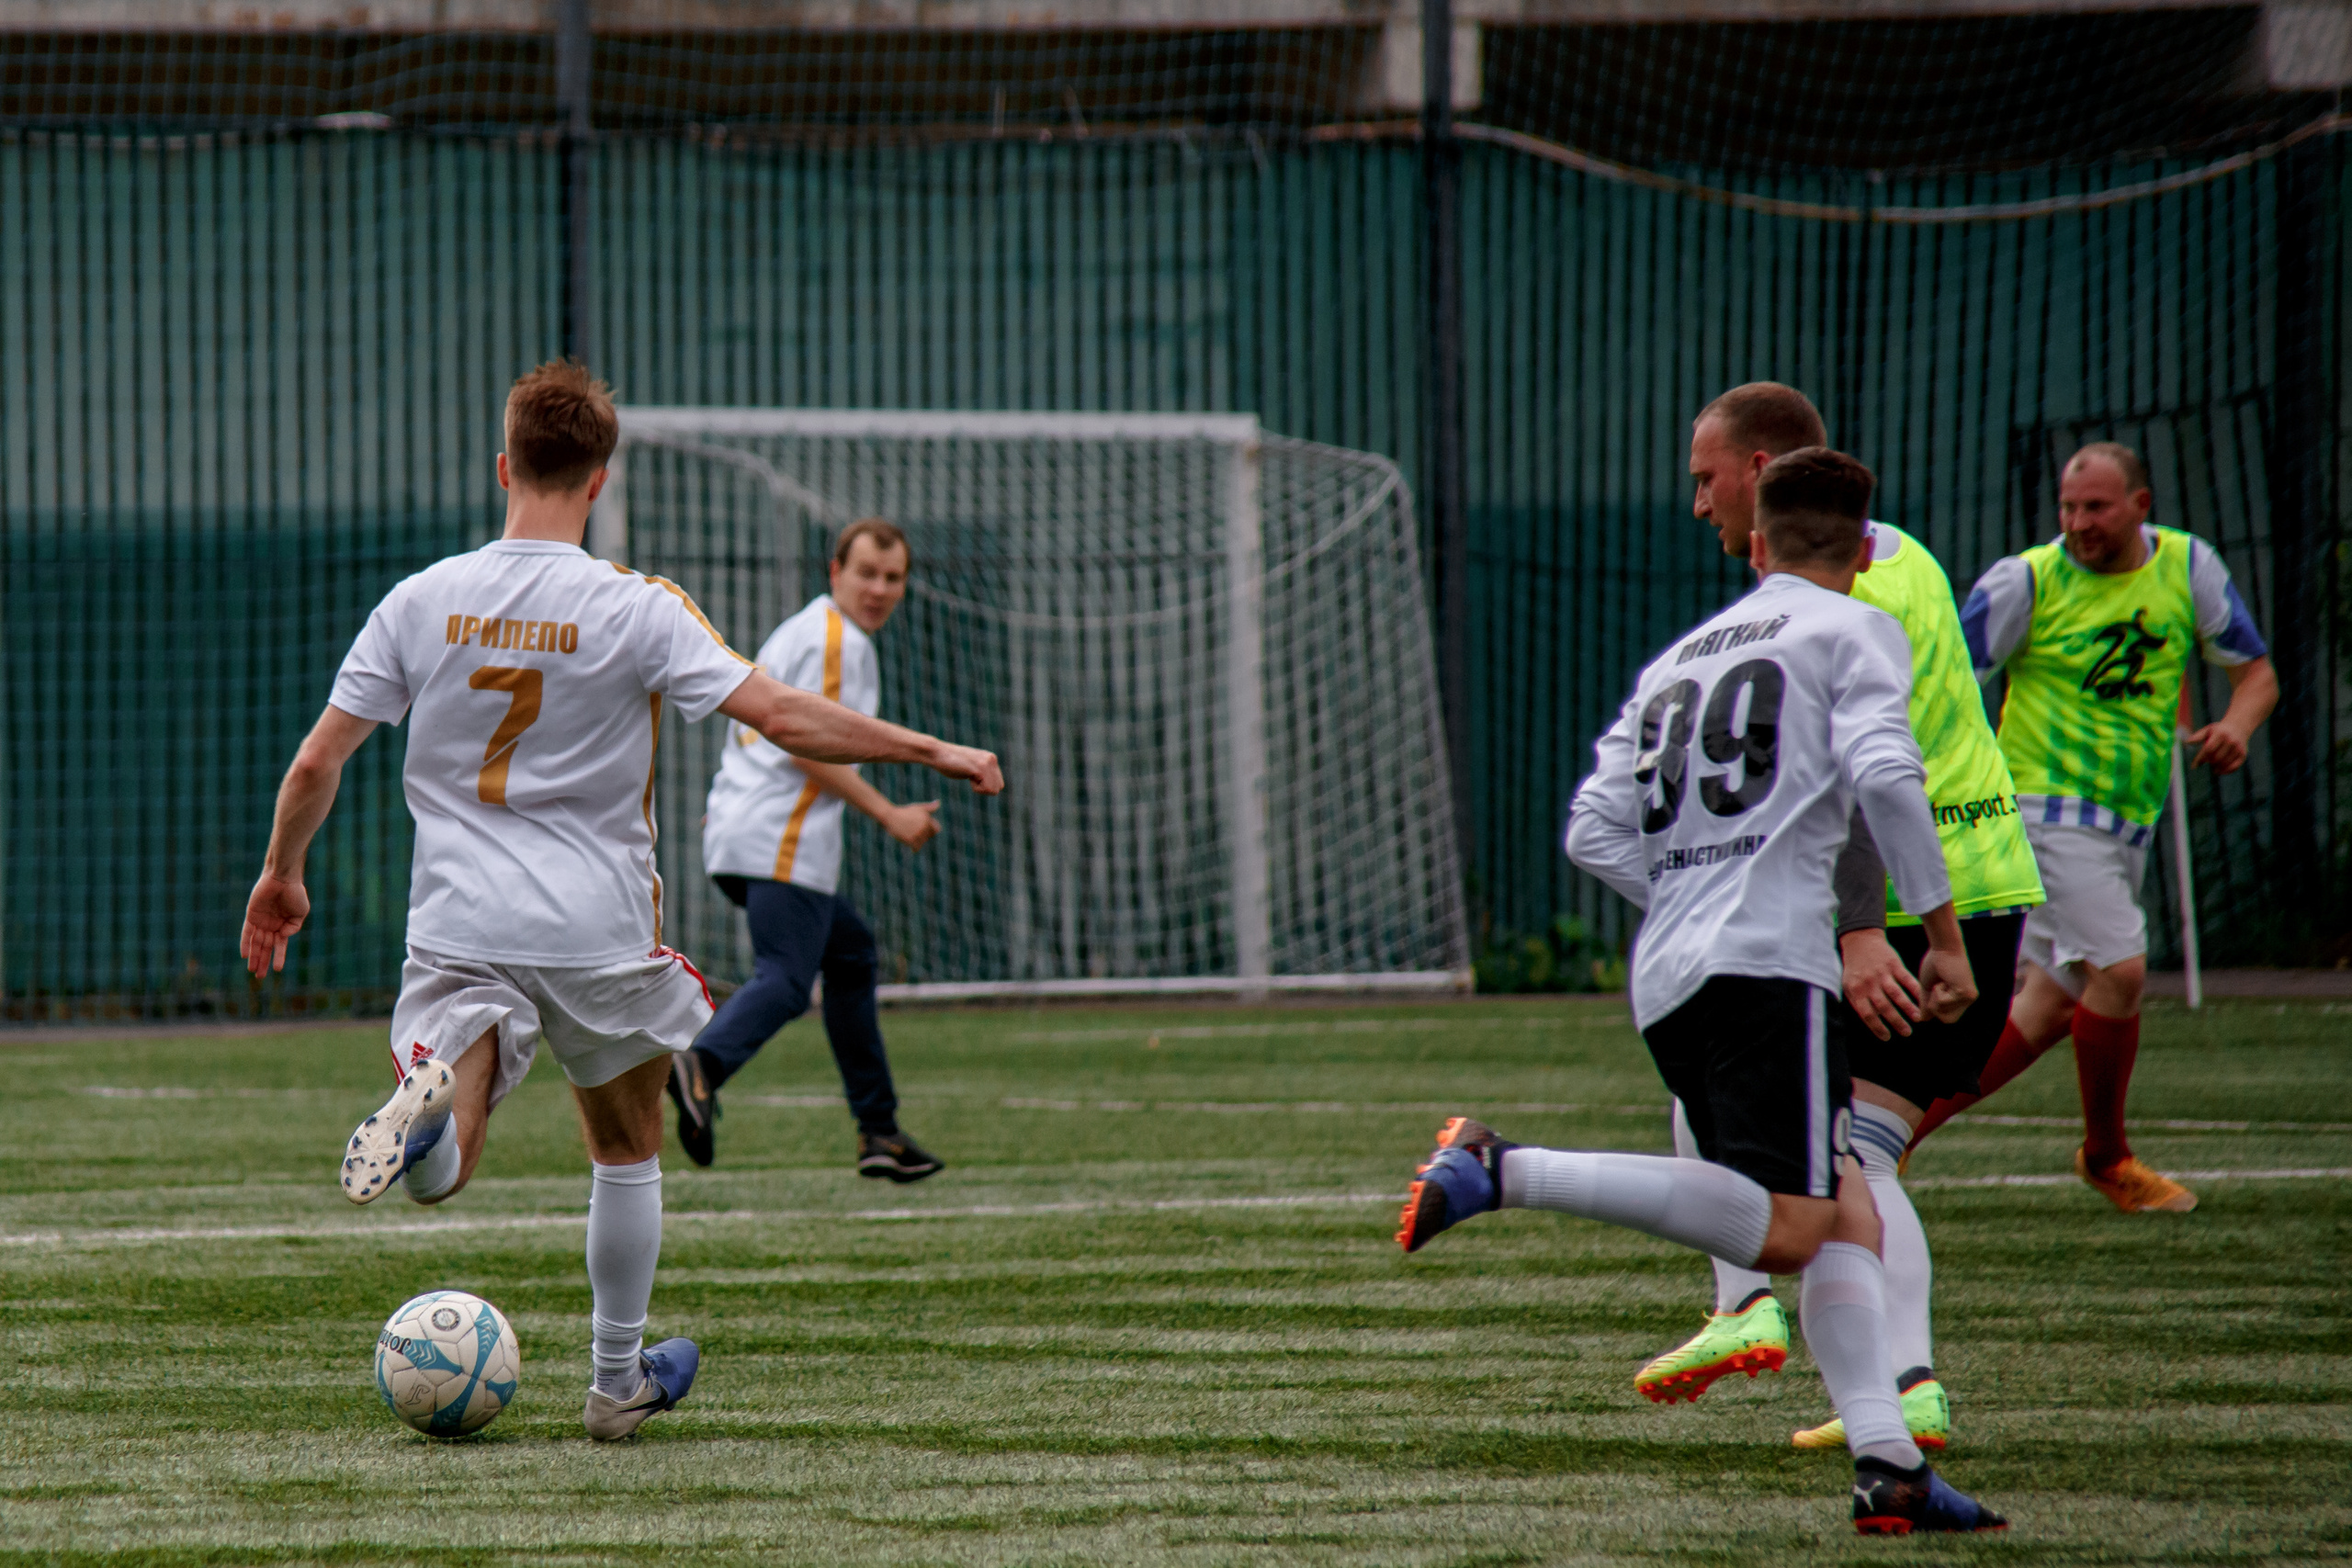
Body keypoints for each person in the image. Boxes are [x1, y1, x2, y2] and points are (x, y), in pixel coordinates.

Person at [239, 362, 1002, 1441]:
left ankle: (430, 1134)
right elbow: (784, 714)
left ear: (504, 465)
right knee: (626, 1143)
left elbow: (317, 763)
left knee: (459, 1130)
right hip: (593, 928)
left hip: (460, 923)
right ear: (598, 479)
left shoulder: (420, 598)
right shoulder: (635, 606)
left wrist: (282, 876)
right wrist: (932, 749)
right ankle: (613, 1384)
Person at [1400, 447, 2006, 1535]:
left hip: (1672, 970)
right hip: (1767, 963)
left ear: (1759, 540)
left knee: (1846, 1213)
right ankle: (1505, 1169)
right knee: (1793, 1227)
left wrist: (1689, 890)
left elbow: (1594, 825)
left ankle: (1890, 1467)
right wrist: (1942, 937)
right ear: (1866, 551)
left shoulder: (1680, 656)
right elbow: (1885, 776)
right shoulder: (1856, 625)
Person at [1636, 383, 2045, 1455]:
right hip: (1926, 897)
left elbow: (1875, 777)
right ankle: (1751, 1313)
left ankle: (1895, 1380)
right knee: (1741, 1102)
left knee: (1849, 1149)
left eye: (1705, 477)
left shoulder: (1865, 591)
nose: (1699, 503)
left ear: (1762, 470)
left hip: (1923, 903)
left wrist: (1868, 931)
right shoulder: (1863, 570)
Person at [1904, 442, 2278, 1212]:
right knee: (2122, 970)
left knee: (2044, 1010)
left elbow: (2256, 674)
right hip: (2042, 811)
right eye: (2069, 509)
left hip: (2126, 822)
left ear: (2141, 505)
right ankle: (2108, 1154)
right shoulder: (2027, 580)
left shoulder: (2188, 567)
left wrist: (2237, 726)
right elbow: (1948, 681)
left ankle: (1888, 1134)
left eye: (2096, 508)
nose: (2078, 523)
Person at [665, 519, 947, 1180]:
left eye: (893, 577)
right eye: (867, 573)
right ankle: (700, 1065)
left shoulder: (810, 629)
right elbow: (809, 741)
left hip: (748, 830)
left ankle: (879, 1130)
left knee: (850, 954)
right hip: (776, 837)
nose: (879, 588)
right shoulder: (837, 641)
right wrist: (889, 813)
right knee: (788, 979)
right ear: (834, 572)